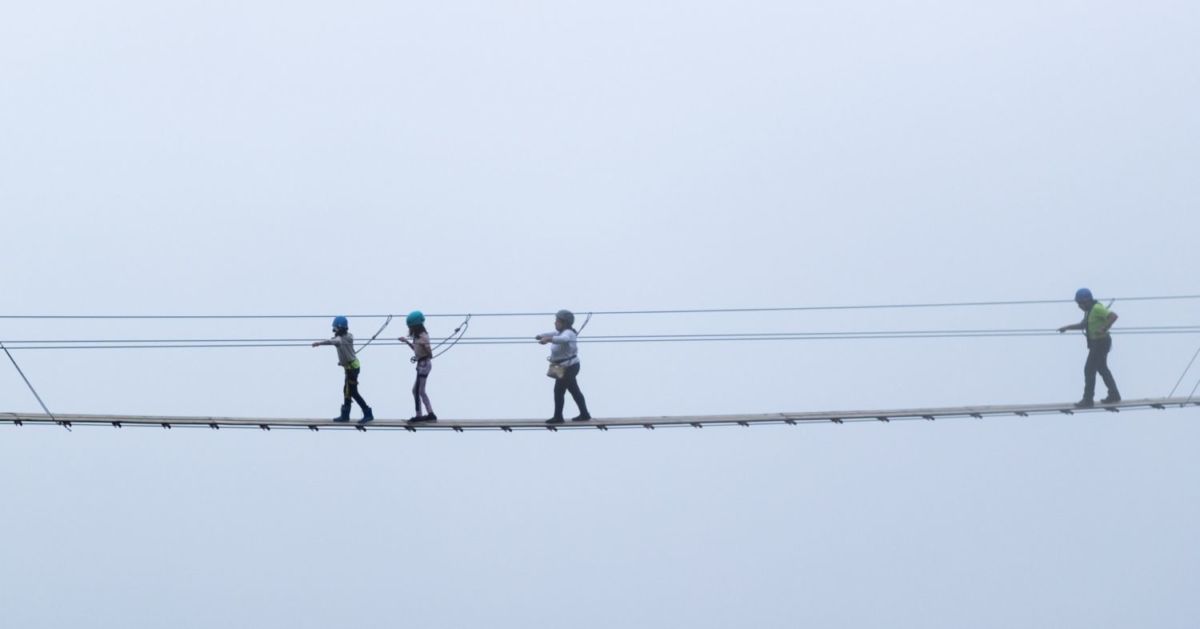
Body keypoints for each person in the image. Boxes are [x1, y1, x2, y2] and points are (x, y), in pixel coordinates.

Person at [1057, 288, 1121, 408]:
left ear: (1086, 301)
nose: (1079, 307)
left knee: (1089, 370)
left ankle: (1088, 400)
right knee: (1102, 368)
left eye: (1080, 304)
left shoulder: (1096, 308)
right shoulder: (1089, 311)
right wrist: (1067, 327)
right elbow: (1083, 325)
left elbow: (1113, 316)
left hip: (1100, 343)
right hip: (1098, 344)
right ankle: (1114, 394)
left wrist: (1103, 328)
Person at [312, 316, 374, 423]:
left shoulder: (339, 340)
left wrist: (319, 343)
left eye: (335, 328)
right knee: (347, 391)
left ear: (339, 328)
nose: (334, 330)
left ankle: (367, 413)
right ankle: (346, 415)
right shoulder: (348, 336)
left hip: (352, 369)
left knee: (352, 392)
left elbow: (332, 341)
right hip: (351, 367)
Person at [537, 309, 591, 423]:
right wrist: (541, 335)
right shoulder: (560, 332)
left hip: (569, 367)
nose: (555, 322)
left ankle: (558, 417)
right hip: (563, 367)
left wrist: (548, 340)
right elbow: (552, 334)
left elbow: (563, 339)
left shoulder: (568, 334)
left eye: (557, 321)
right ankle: (584, 414)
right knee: (574, 390)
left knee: (559, 391)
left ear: (564, 323)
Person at [398, 310, 437, 422]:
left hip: (424, 364)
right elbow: (416, 350)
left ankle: (420, 415)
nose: (409, 329)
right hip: (422, 364)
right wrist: (406, 342)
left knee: (417, 391)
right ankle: (429, 413)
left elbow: (428, 350)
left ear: (415, 326)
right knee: (418, 391)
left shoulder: (423, 337)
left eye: (411, 327)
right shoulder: (417, 337)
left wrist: (428, 352)